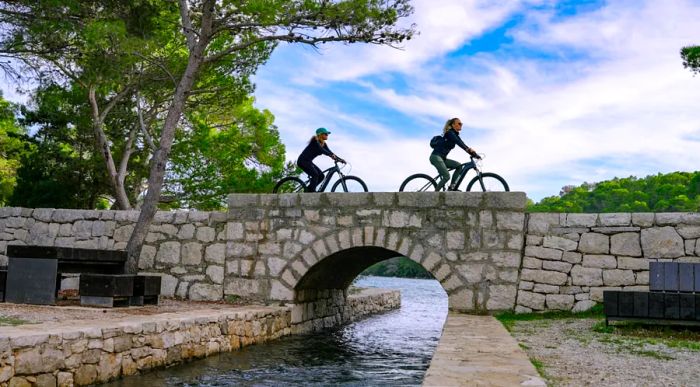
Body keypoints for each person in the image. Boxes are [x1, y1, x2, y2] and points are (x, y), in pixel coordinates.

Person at [430, 117, 480, 191]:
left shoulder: (455, 135)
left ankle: (451, 187)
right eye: (459, 123)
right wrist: (469, 150)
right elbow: (459, 143)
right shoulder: (450, 133)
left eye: (461, 124)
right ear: (453, 125)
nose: (461, 125)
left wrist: (473, 153)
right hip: (435, 157)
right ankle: (434, 196)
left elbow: (463, 144)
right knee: (447, 176)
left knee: (459, 166)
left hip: (442, 159)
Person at [297, 127, 345, 192]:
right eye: (326, 134)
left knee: (321, 176)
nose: (327, 135)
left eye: (327, 134)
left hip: (308, 161)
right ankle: (312, 192)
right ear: (320, 134)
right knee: (315, 174)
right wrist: (330, 155)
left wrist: (340, 159)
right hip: (302, 161)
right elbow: (321, 150)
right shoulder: (315, 141)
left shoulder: (323, 144)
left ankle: (308, 190)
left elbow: (330, 152)